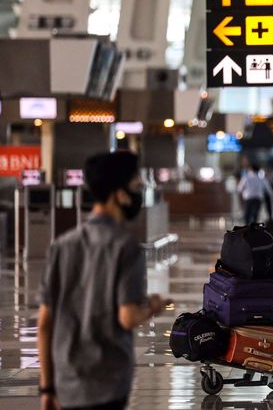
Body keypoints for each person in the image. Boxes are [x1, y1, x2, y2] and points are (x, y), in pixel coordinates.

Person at [37, 151, 169, 410]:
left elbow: (44, 325)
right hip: (107, 383)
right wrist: (153, 307)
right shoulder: (125, 247)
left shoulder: (62, 246)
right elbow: (128, 317)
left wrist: (47, 387)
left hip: (67, 383)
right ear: (118, 194)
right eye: (134, 186)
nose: (138, 193)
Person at [237, 160, 266, 225]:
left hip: (249, 198)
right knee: (255, 215)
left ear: (250, 169)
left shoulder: (246, 177)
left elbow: (239, 188)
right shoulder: (260, 178)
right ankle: (254, 229)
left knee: (247, 215)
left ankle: (247, 229)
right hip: (258, 198)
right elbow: (264, 188)